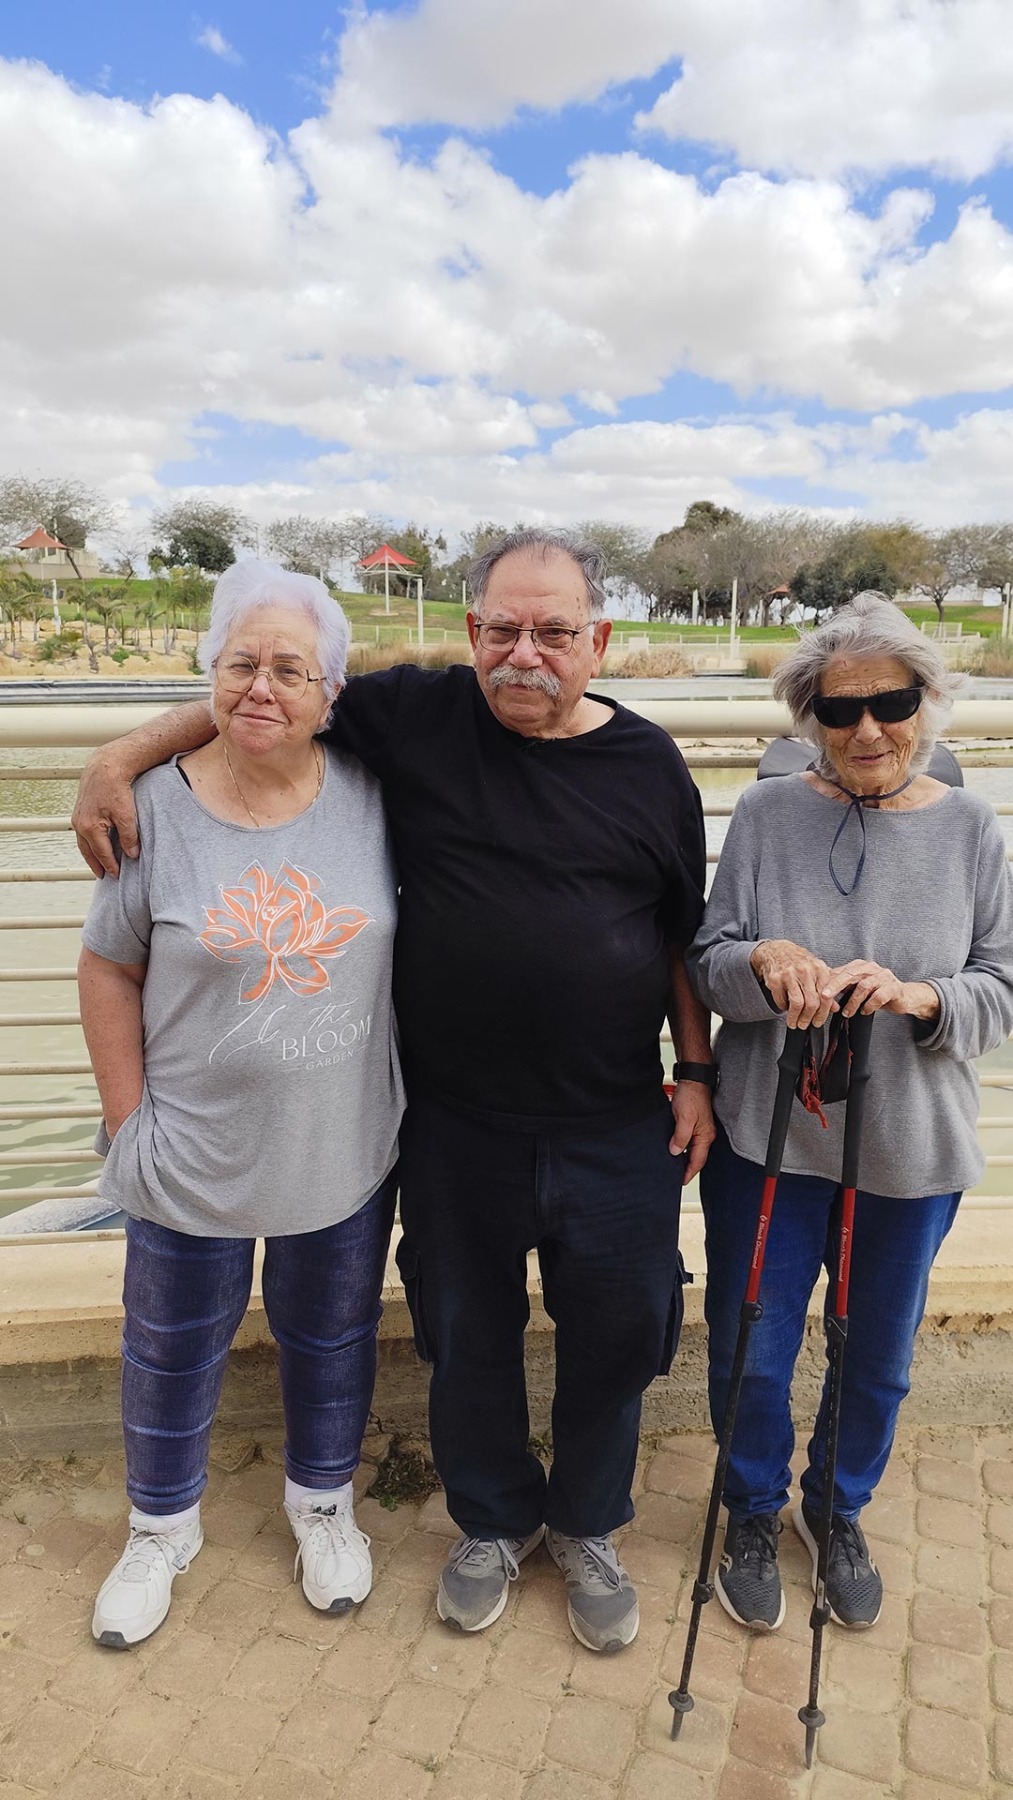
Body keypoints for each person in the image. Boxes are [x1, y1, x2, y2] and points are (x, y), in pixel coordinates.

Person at [73, 528, 714, 1656]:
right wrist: (118, 755)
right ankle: (487, 1520)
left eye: (554, 632)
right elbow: (264, 689)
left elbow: (677, 934)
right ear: (468, 633)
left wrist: (697, 1071)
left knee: (618, 1331)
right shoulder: (415, 717)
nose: (525, 653)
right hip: (454, 1122)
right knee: (464, 1332)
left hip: (613, 1117)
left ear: (595, 640)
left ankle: (586, 1524)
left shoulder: (649, 763)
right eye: (501, 629)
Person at [79, 560, 403, 1648]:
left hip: (341, 1140)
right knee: (168, 1342)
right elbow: (107, 965)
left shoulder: (376, 791)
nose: (262, 688)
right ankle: (161, 1527)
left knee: (332, 1336)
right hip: (188, 1145)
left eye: (290, 670)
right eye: (239, 664)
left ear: (330, 692)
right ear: (208, 675)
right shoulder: (153, 812)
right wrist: (129, 1122)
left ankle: (322, 1505)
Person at [687, 594, 1013, 1634]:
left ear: (925, 703)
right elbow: (705, 963)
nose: (867, 729)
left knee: (875, 1349)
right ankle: (748, 1506)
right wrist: (760, 962)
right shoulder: (764, 815)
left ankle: (834, 1511)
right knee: (750, 1339)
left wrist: (921, 998)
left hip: (907, 1145)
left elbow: (999, 986)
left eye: (891, 702)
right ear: (808, 718)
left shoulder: (971, 829)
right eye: (839, 710)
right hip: (768, 1137)